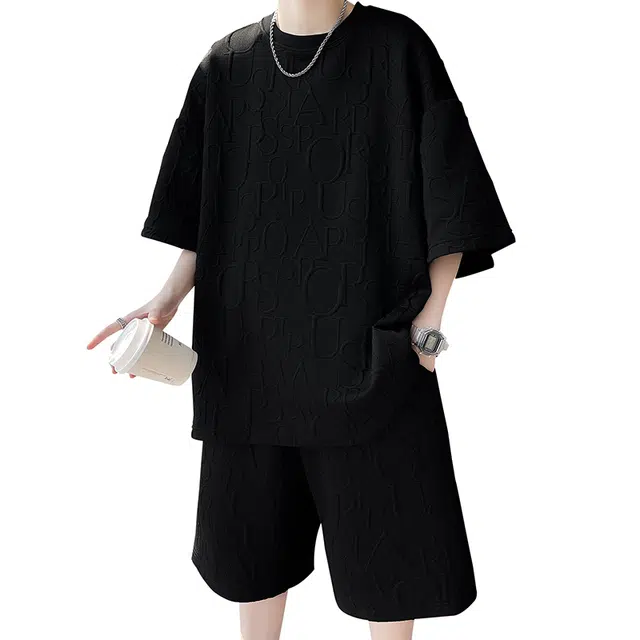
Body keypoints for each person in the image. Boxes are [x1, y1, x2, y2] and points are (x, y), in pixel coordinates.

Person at [88, 1, 516, 638]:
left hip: (370, 359)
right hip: (249, 360)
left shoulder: (399, 48)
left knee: (391, 564)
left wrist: (429, 321)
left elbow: (449, 192)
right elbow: (206, 212)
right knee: (253, 559)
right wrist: (167, 297)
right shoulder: (226, 65)